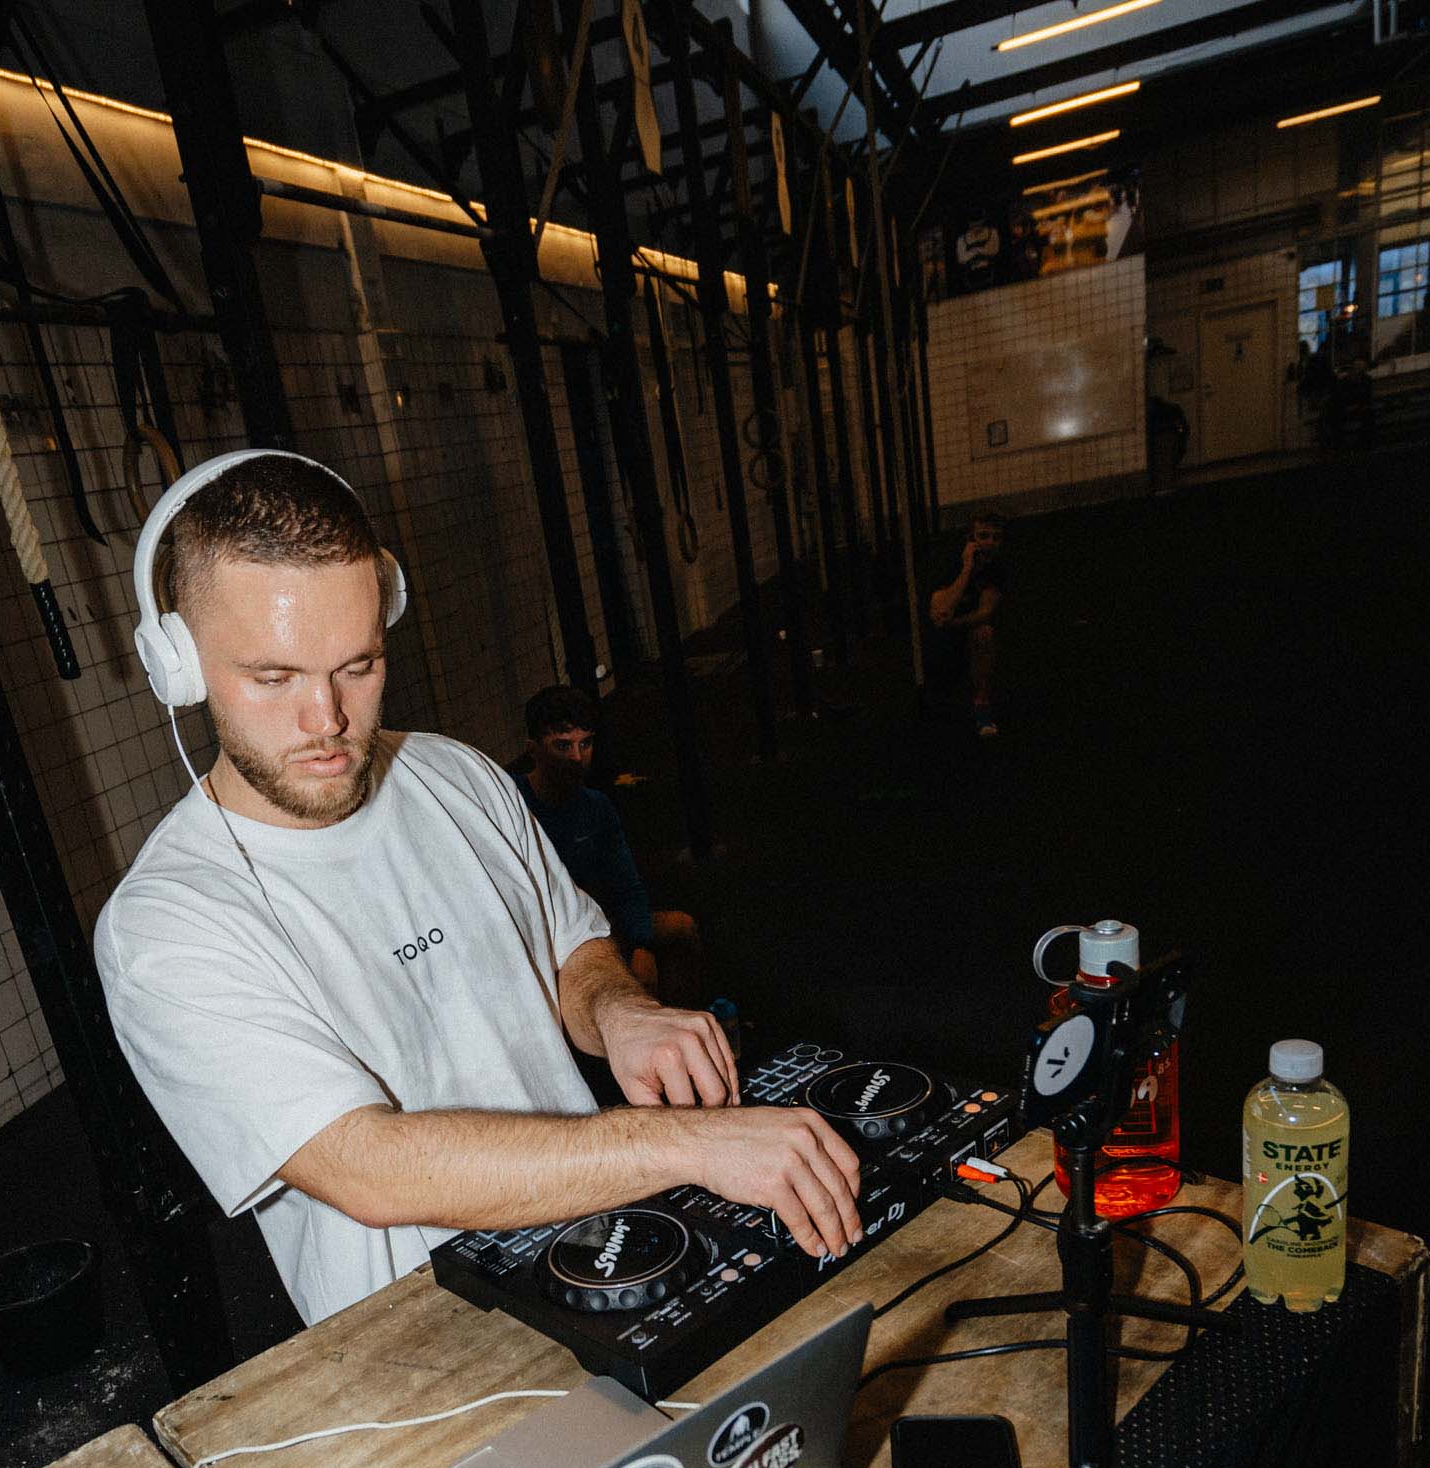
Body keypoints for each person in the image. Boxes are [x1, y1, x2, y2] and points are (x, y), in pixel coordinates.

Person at [95, 452, 862, 1329]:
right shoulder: (165, 926)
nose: (327, 719)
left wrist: (619, 1011)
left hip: (603, 1243)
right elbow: (367, 1168)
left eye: (358, 665)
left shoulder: (455, 775)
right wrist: (684, 1144)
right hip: (424, 1339)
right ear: (179, 666)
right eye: (274, 678)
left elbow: (571, 947)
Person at [510, 687, 703, 1006]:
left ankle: (680, 1025)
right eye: (563, 745)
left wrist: (642, 945)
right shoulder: (511, 803)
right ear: (534, 750)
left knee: (680, 929)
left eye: (585, 744)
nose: (577, 757)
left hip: (593, 922)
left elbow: (626, 885)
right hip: (541, 937)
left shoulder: (596, 807)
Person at [927, 511, 1007, 736]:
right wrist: (966, 569)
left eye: (996, 537)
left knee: (984, 633)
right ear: (971, 539)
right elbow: (940, 609)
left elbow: (985, 612)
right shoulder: (949, 562)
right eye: (983, 536)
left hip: (961, 627)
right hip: (938, 638)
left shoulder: (998, 568)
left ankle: (982, 705)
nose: (990, 543)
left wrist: (953, 623)